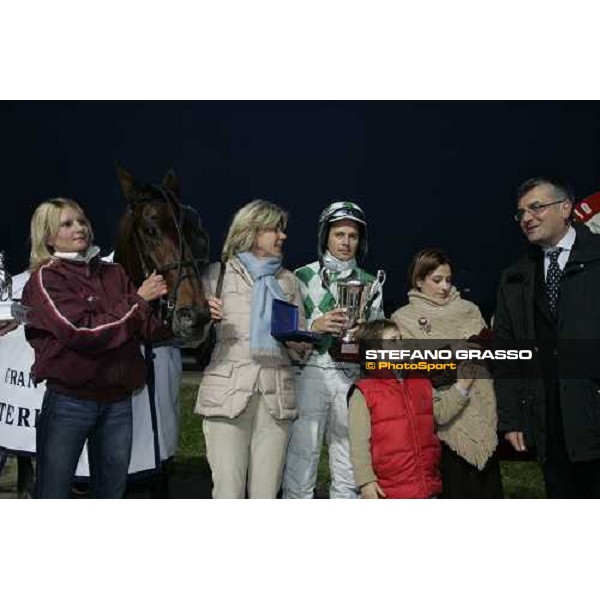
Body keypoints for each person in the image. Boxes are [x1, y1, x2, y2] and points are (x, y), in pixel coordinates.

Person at [21, 198, 167, 498]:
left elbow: (146, 327)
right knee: (53, 494)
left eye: (82, 220)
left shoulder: (114, 273)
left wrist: (190, 316)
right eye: (67, 223)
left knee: (110, 494)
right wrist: (138, 301)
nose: (80, 228)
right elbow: (82, 333)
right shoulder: (46, 279)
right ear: (48, 237)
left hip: (118, 403)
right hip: (68, 403)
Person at [195, 200, 310, 499]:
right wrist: (203, 316)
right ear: (250, 231)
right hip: (227, 397)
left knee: (266, 496)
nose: (282, 236)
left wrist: (303, 337)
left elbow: (302, 350)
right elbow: (190, 337)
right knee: (228, 494)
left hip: (276, 398)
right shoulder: (214, 276)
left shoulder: (288, 281)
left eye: (282, 230)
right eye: (274, 229)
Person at [494, 177, 600, 498]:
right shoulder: (514, 277)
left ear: (566, 208)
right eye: (521, 212)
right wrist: (512, 418)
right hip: (549, 425)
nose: (527, 218)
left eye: (536, 207)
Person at [282, 201, 384, 499]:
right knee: (303, 454)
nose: (346, 242)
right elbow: (288, 332)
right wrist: (317, 325)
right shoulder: (301, 276)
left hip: (351, 377)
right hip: (310, 372)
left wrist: (364, 331)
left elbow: (378, 336)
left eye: (352, 236)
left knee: (348, 457)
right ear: (325, 235)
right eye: (339, 234)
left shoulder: (371, 283)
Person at [392, 249, 503, 498]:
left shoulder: (470, 310)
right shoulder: (403, 318)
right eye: (436, 280)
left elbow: (488, 356)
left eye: (448, 279)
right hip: (442, 424)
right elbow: (413, 367)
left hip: (483, 413)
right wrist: (454, 353)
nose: (444, 287)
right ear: (418, 280)